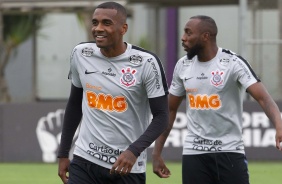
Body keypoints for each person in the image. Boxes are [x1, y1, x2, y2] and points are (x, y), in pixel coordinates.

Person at [152, 15, 282, 184]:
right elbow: (170, 109)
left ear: (206, 36)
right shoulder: (182, 66)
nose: (183, 38)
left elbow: (264, 98)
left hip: (229, 151)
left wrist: (279, 125)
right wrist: (156, 153)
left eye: (189, 33)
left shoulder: (232, 63)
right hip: (194, 153)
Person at [57, 2, 169, 184]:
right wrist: (63, 153)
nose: (98, 29)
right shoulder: (81, 53)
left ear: (123, 28)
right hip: (84, 160)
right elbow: (74, 104)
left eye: (106, 23)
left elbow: (162, 116)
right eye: (95, 23)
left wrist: (134, 151)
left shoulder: (146, 63)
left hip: (126, 166)